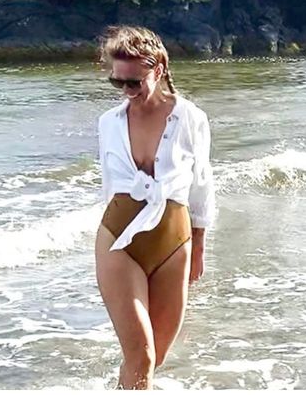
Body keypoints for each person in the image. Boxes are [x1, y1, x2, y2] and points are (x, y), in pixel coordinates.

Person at [94, 25, 215, 389]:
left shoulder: (190, 118)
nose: (127, 92)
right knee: (141, 356)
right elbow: (108, 186)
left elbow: (202, 185)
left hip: (173, 243)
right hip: (119, 240)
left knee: (152, 359)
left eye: (134, 82)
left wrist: (198, 247)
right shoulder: (108, 123)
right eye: (118, 83)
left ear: (158, 70)